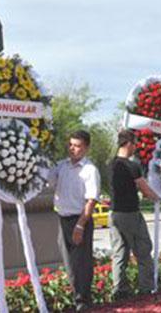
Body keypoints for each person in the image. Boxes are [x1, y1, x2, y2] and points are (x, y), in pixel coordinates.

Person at [48, 130, 101, 312]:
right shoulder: (61, 166)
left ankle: (84, 303)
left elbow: (91, 201)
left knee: (82, 264)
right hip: (63, 220)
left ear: (86, 148)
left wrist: (80, 225)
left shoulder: (90, 170)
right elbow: (48, 180)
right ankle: (75, 298)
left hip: (80, 221)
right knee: (69, 264)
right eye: (70, 145)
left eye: (77, 146)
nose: (73, 149)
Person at [108, 130, 159, 300]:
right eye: (135, 144)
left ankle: (119, 291)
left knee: (119, 253)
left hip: (114, 214)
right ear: (129, 143)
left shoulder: (110, 164)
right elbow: (145, 190)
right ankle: (146, 289)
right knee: (143, 250)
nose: (136, 147)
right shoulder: (132, 166)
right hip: (130, 214)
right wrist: (159, 197)